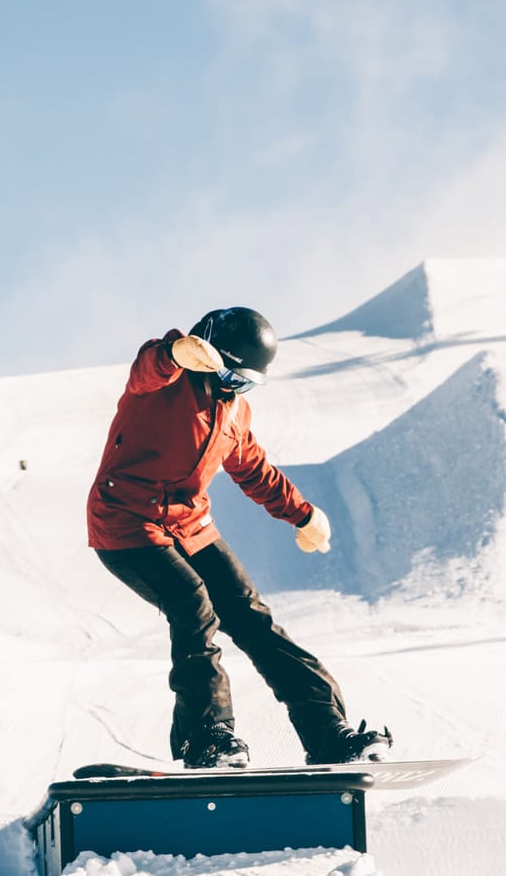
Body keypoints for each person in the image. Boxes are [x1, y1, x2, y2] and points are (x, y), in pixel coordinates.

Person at [87, 307, 391, 769]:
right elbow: (146, 369)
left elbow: (252, 469)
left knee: (252, 618)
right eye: (228, 373)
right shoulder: (164, 380)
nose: (232, 385)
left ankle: (329, 733)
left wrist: (303, 515)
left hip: (190, 526)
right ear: (207, 355)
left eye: (245, 381)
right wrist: (174, 352)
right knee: (192, 603)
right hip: (127, 523)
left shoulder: (233, 411)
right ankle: (205, 736)